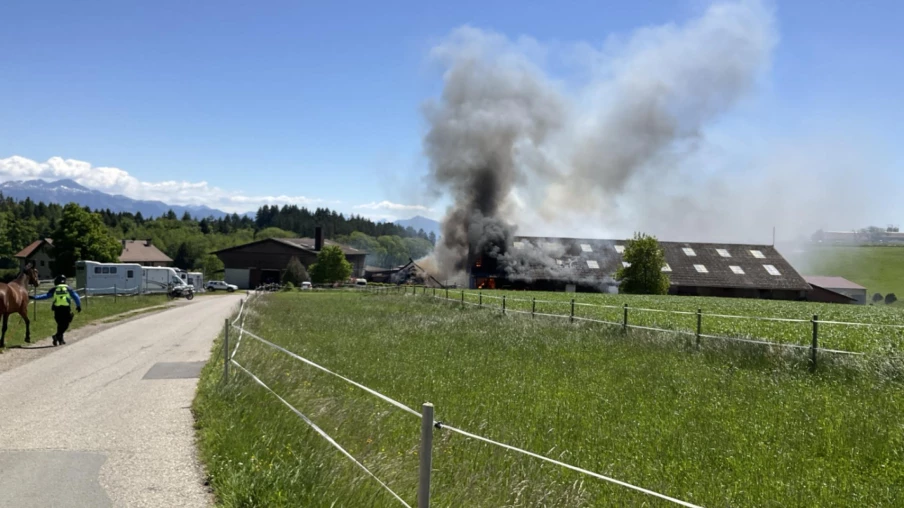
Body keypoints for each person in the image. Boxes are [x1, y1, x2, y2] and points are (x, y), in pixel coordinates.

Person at [33, 275, 81, 346]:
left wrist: (34, 297)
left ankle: (59, 338)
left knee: (60, 324)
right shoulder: (68, 289)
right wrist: (78, 305)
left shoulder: (54, 289)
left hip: (57, 309)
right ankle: (57, 336)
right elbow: (76, 297)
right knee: (65, 324)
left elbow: (45, 296)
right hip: (66, 309)